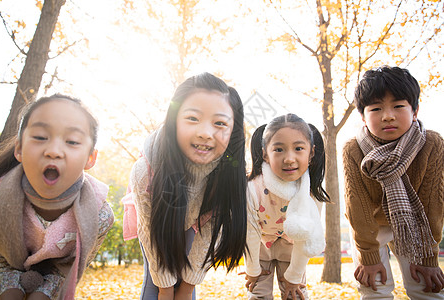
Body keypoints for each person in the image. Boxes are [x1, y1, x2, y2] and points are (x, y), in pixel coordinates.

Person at [127, 72, 247, 300]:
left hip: (196, 223)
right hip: (159, 222)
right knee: (156, 284)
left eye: (220, 123)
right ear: (174, 120)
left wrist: (186, 289)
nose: (205, 133)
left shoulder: (228, 175)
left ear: (233, 132)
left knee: (185, 287)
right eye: (192, 118)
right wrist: (165, 289)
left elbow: (208, 239)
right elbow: (152, 236)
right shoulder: (146, 172)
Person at [0, 94, 114, 300]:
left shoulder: (100, 215)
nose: (54, 151)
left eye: (72, 141)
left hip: (55, 273)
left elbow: (70, 268)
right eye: (41, 137)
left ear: (90, 158)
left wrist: (46, 291)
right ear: (19, 148)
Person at [343, 66, 444, 299]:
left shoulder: (432, 144)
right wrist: (368, 256)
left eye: (398, 106)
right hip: (370, 228)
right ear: (363, 116)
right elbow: (357, 206)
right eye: (376, 108)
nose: (387, 115)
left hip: (414, 223)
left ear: (415, 110)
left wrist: (429, 258)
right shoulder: (353, 149)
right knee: (374, 287)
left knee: (427, 288)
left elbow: (432, 205)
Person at [243, 113, 330, 300]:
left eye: (298, 148)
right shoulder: (253, 188)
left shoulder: (310, 192)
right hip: (259, 248)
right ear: (265, 153)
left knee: (295, 293)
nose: (289, 158)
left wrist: (294, 276)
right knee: (257, 295)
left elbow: (305, 238)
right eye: (279, 150)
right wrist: (252, 268)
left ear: (311, 153)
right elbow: (249, 231)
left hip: (293, 250)